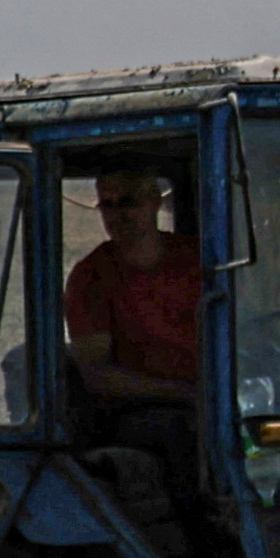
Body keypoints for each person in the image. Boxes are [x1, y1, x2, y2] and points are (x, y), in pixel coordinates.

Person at [65, 169, 199, 420]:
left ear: (155, 200)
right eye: (108, 205)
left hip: (217, 396)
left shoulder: (197, 258)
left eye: (128, 202)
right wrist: (182, 393)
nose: (118, 215)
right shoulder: (91, 276)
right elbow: (97, 374)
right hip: (142, 409)